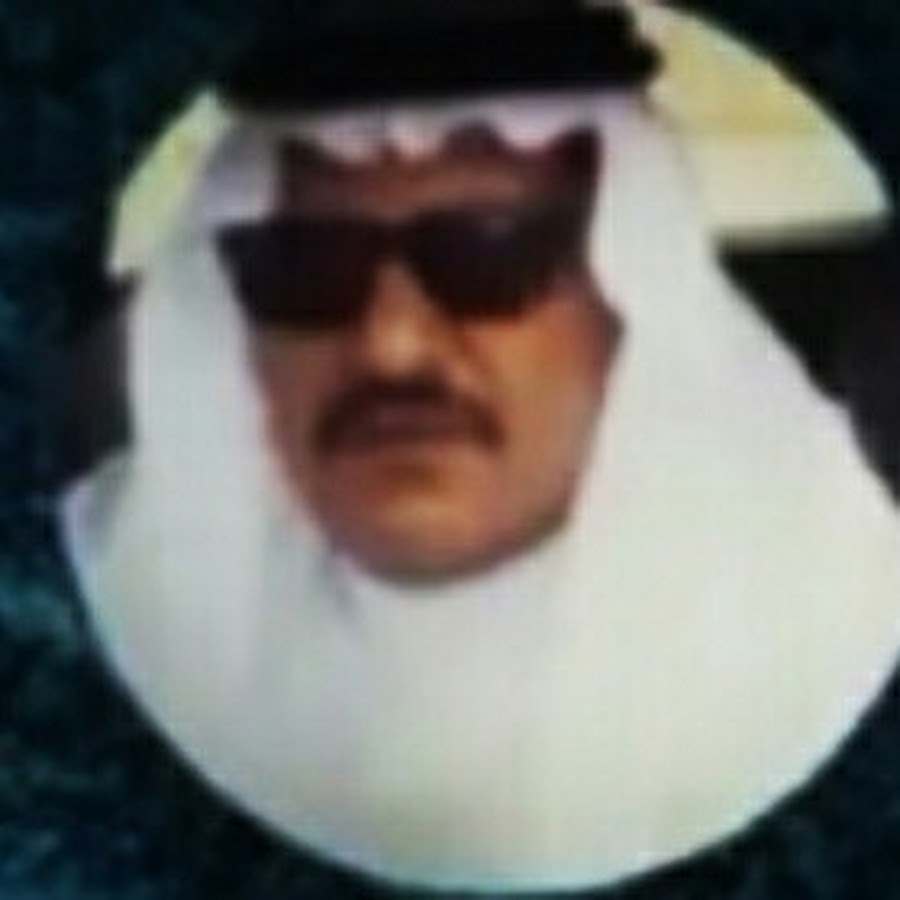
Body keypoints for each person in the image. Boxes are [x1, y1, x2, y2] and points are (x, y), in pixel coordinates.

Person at [59, 1, 900, 893]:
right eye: (307, 267)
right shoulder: (90, 617)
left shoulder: (847, 621)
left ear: (630, 293)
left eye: (489, 253)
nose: (392, 344)